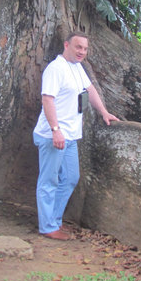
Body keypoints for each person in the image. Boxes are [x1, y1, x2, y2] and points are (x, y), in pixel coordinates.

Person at [33, 31, 119, 240]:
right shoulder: (56, 69)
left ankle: (53, 221)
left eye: (85, 48)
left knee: (71, 178)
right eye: (78, 47)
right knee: (49, 181)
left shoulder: (77, 67)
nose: (82, 51)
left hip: (71, 136)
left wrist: (104, 112)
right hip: (53, 135)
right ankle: (48, 226)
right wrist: (55, 130)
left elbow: (90, 90)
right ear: (67, 45)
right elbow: (47, 100)